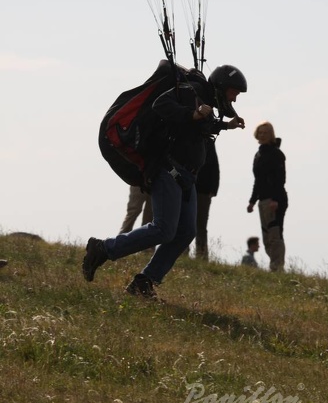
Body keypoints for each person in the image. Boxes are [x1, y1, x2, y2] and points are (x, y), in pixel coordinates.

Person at [83, 64, 247, 298]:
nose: (234, 98)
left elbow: (199, 127)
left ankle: (144, 281)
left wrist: (224, 125)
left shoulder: (205, 99)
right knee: (163, 229)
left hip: (186, 177)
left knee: (185, 232)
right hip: (168, 170)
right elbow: (162, 105)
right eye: (234, 93)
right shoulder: (192, 90)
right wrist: (192, 114)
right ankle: (102, 249)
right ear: (222, 87)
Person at [247, 121, 288, 272]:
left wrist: (275, 199)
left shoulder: (276, 154)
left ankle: (277, 268)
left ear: (271, 135)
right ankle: (274, 266)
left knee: (275, 234)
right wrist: (252, 201)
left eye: (265, 133)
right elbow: (257, 181)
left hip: (275, 200)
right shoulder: (258, 155)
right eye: (260, 133)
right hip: (262, 201)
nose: (262, 135)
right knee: (266, 237)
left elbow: (280, 179)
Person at [192, 137, 220, 260]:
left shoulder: (208, 142)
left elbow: (214, 166)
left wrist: (213, 189)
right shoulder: (185, 137)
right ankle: (181, 252)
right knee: (183, 223)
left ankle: (202, 255)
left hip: (203, 191)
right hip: (186, 187)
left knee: (201, 225)